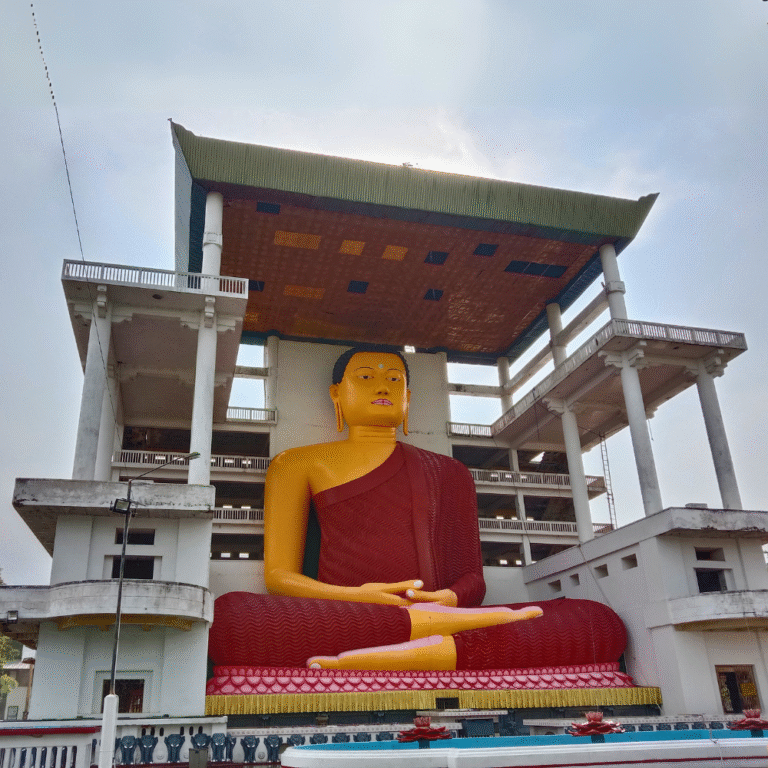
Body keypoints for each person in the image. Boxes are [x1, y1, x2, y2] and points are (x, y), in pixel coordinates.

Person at [208, 346, 626, 671]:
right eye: (366, 377)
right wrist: (358, 598)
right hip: (346, 615)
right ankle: (433, 643)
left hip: (438, 612)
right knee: (230, 618)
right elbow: (279, 577)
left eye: (394, 379)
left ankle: (401, 647)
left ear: (408, 396)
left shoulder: (449, 471)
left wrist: (447, 598)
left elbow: (473, 581)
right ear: (337, 393)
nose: (383, 387)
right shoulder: (296, 463)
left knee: (593, 621)